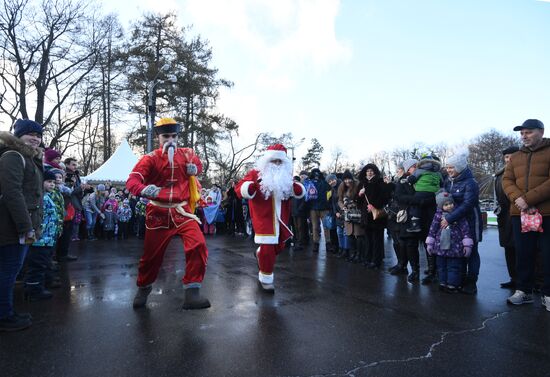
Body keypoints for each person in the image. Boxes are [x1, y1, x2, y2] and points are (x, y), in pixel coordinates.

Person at [126, 117, 210, 309]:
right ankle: (144, 288)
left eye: (173, 136)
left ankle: (192, 292)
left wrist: (195, 168)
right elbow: (132, 181)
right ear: (158, 138)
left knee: (198, 244)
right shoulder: (150, 159)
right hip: (158, 212)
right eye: (166, 136)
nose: (170, 140)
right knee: (151, 257)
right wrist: (144, 190)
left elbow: (199, 165)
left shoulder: (187, 154)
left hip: (183, 211)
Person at [235, 144, 305, 292]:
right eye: (274, 161)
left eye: (280, 162)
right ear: (267, 161)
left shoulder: (286, 176)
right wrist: (249, 187)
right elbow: (240, 187)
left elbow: (295, 190)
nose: (277, 164)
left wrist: (298, 189)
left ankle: (259, 253)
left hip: (281, 218)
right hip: (263, 217)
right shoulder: (256, 173)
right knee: (268, 247)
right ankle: (266, 279)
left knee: (278, 246)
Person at [0, 119, 44, 331]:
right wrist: (26, 227)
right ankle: (4, 316)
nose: (35, 138)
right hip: (12, 226)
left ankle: (6, 310)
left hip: (19, 224)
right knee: (8, 271)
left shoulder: (29, 158)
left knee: (10, 271)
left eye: (38, 134)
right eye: (30, 134)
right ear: (18, 135)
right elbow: (12, 193)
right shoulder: (13, 156)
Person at [503, 119, 550, 310]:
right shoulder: (515, 157)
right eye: (522, 133)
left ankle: (548, 294)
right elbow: (507, 180)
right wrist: (520, 200)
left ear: (541, 131)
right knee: (523, 254)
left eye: (528, 132)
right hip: (520, 213)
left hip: (546, 213)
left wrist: (528, 199)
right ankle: (524, 291)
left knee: (548, 254)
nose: (524, 136)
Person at [443, 152, 483, 294]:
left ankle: (471, 282)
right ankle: (459, 279)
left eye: (451, 167)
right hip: (455, 222)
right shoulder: (448, 181)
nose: (448, 170)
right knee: (458, 251)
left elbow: (468, 204)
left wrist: (449, 218)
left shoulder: (471, 183)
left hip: (470, 221)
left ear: (459, 167)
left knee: (471, 252)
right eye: (447, 167)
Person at [425, 191, 473, 293]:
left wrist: (467, 244)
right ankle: (442, 282)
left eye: (451, 203)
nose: (449, 206)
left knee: (454, 267)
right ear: (440, 206)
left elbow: (465, 229)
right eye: (446, 204)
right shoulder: (438, 216)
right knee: (441, 266)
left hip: (455, 247)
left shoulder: (458, 215)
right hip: (440, 247)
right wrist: (430, 243)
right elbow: (432, 229)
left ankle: (452, 284)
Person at [24, 170, 59, 301]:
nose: (52, 185)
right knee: (37, 266)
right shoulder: (40, 197)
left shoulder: (47, 196)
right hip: (40, 239)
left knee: (42, 264)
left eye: (54, 182)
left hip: (48, 239)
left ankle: (38, 286)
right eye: (49, 182)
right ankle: (33, 290)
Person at [357, 163, 391, 269]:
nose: (369, 173)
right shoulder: (362, 184)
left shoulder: (380, 182)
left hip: (377, 216)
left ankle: (377, 260)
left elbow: (385, 197)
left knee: (377, 239)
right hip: (366, 216)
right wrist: (360, 195)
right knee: (368, 238)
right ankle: (368, 258)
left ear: (375, 172)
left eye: (371, 171)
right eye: (367, 171)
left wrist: (374, 205)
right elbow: (357, 202)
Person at [494, 145, 519, 289]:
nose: (509, 159)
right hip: (504, 216)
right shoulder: (500, 174)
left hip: (517, 214)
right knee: (508, 248)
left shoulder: (520, 173)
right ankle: (514, 278)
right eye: (506, 157)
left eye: (512, 156)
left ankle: (529, 281)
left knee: (522, 249)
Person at [406, 154, 442, 232]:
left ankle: (415, 224)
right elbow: (441, 183)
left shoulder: (419, 170)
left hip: (421, 192)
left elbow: (412, 179)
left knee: (415, 205)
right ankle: (435, 224)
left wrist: (408, 179)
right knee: (432, 209)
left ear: (421, 163)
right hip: (434, 193)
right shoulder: (438, 173)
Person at [306, 168, 332, 253]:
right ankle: (315, 244)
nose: (316, 175)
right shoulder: (309, 183)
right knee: (315, 227)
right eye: (314, 174)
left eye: (318, 174)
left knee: (326, 227)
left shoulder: (324, 182)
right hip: (313, 209)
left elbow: (330, 193)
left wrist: (329, 206)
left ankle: (328, 243)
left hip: (324, 208)